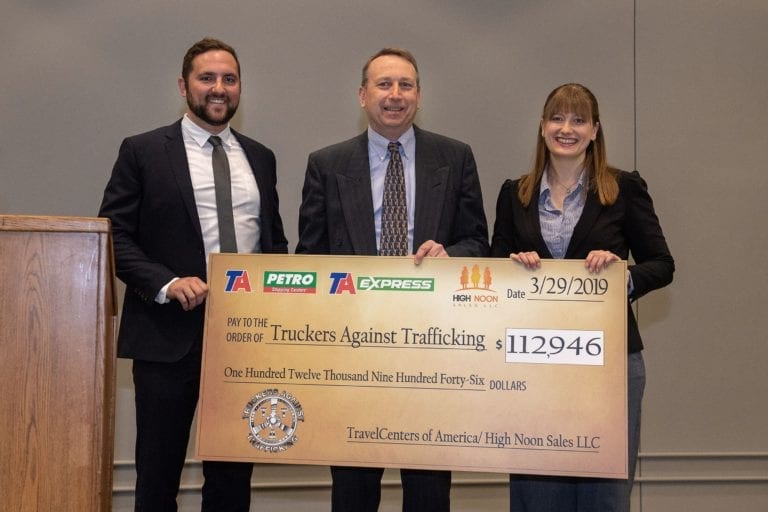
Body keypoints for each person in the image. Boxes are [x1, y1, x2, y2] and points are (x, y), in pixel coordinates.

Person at [98, 37, 288, 511]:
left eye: (229, 79)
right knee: (157, 477)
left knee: (232, 480)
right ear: (184, 86)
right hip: (168, 335)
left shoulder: (260, 157)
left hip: (245, 337)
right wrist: (166, 283)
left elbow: (274, 244)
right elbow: (114, 235)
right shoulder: (143, 151)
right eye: (207, 78)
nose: (219, 88)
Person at [296, 47, 489, 512]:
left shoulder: (455, 157)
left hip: (433, 346)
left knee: (428, 490)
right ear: (363, 95)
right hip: (353, 348)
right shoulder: (327, 164)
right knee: (353, 487)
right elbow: (310, 259)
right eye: (384, 84)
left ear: (419, 96)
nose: (395, 95)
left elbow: (478, 243)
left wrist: (449, 255)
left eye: (406, 85)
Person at [490, 83, 674, 511]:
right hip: (533, 364)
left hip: (609, 362)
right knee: (537, 492)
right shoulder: (514, 193)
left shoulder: (624, 188)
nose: (566, 128)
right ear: (542, 127)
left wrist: (620, 277)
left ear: (595, 130)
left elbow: (662, 264)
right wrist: (512, 267)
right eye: (557, 118)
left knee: (603, 495)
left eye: (578, 120)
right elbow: (493, 270)